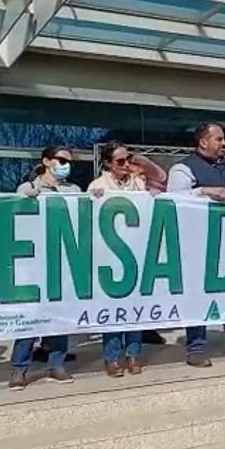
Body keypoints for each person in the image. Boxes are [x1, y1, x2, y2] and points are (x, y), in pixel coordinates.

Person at [167, 122, 225, 367]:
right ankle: (196, 347)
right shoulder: (183, 169)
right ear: (203, 141)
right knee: (197, 296)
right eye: (219, 139)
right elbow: (171, 200)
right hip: (197, 246)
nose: (224, 144)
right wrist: (203, 192)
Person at [10, 145, 81, 390]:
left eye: (69, 161)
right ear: (46, 161)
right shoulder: (28, 188)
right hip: (33, 264)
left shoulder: (74, 190)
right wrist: (27, 198)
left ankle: (56, 365)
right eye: (61, 160)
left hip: (63, 262)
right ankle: (20, 369)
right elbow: (16, 218)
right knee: (29, 317)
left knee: (59, 317)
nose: (66, 164)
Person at [87, 141, 153, 377]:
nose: (126, 165)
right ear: (107, 163)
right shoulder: (98, 185)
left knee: (134, 309)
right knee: (113, 310)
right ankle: (112, 357)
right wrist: (93, 199)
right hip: (109, 256)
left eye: (129, 159)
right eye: (120, 161)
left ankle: (134, 354)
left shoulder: (138, 183)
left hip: (136, 253)